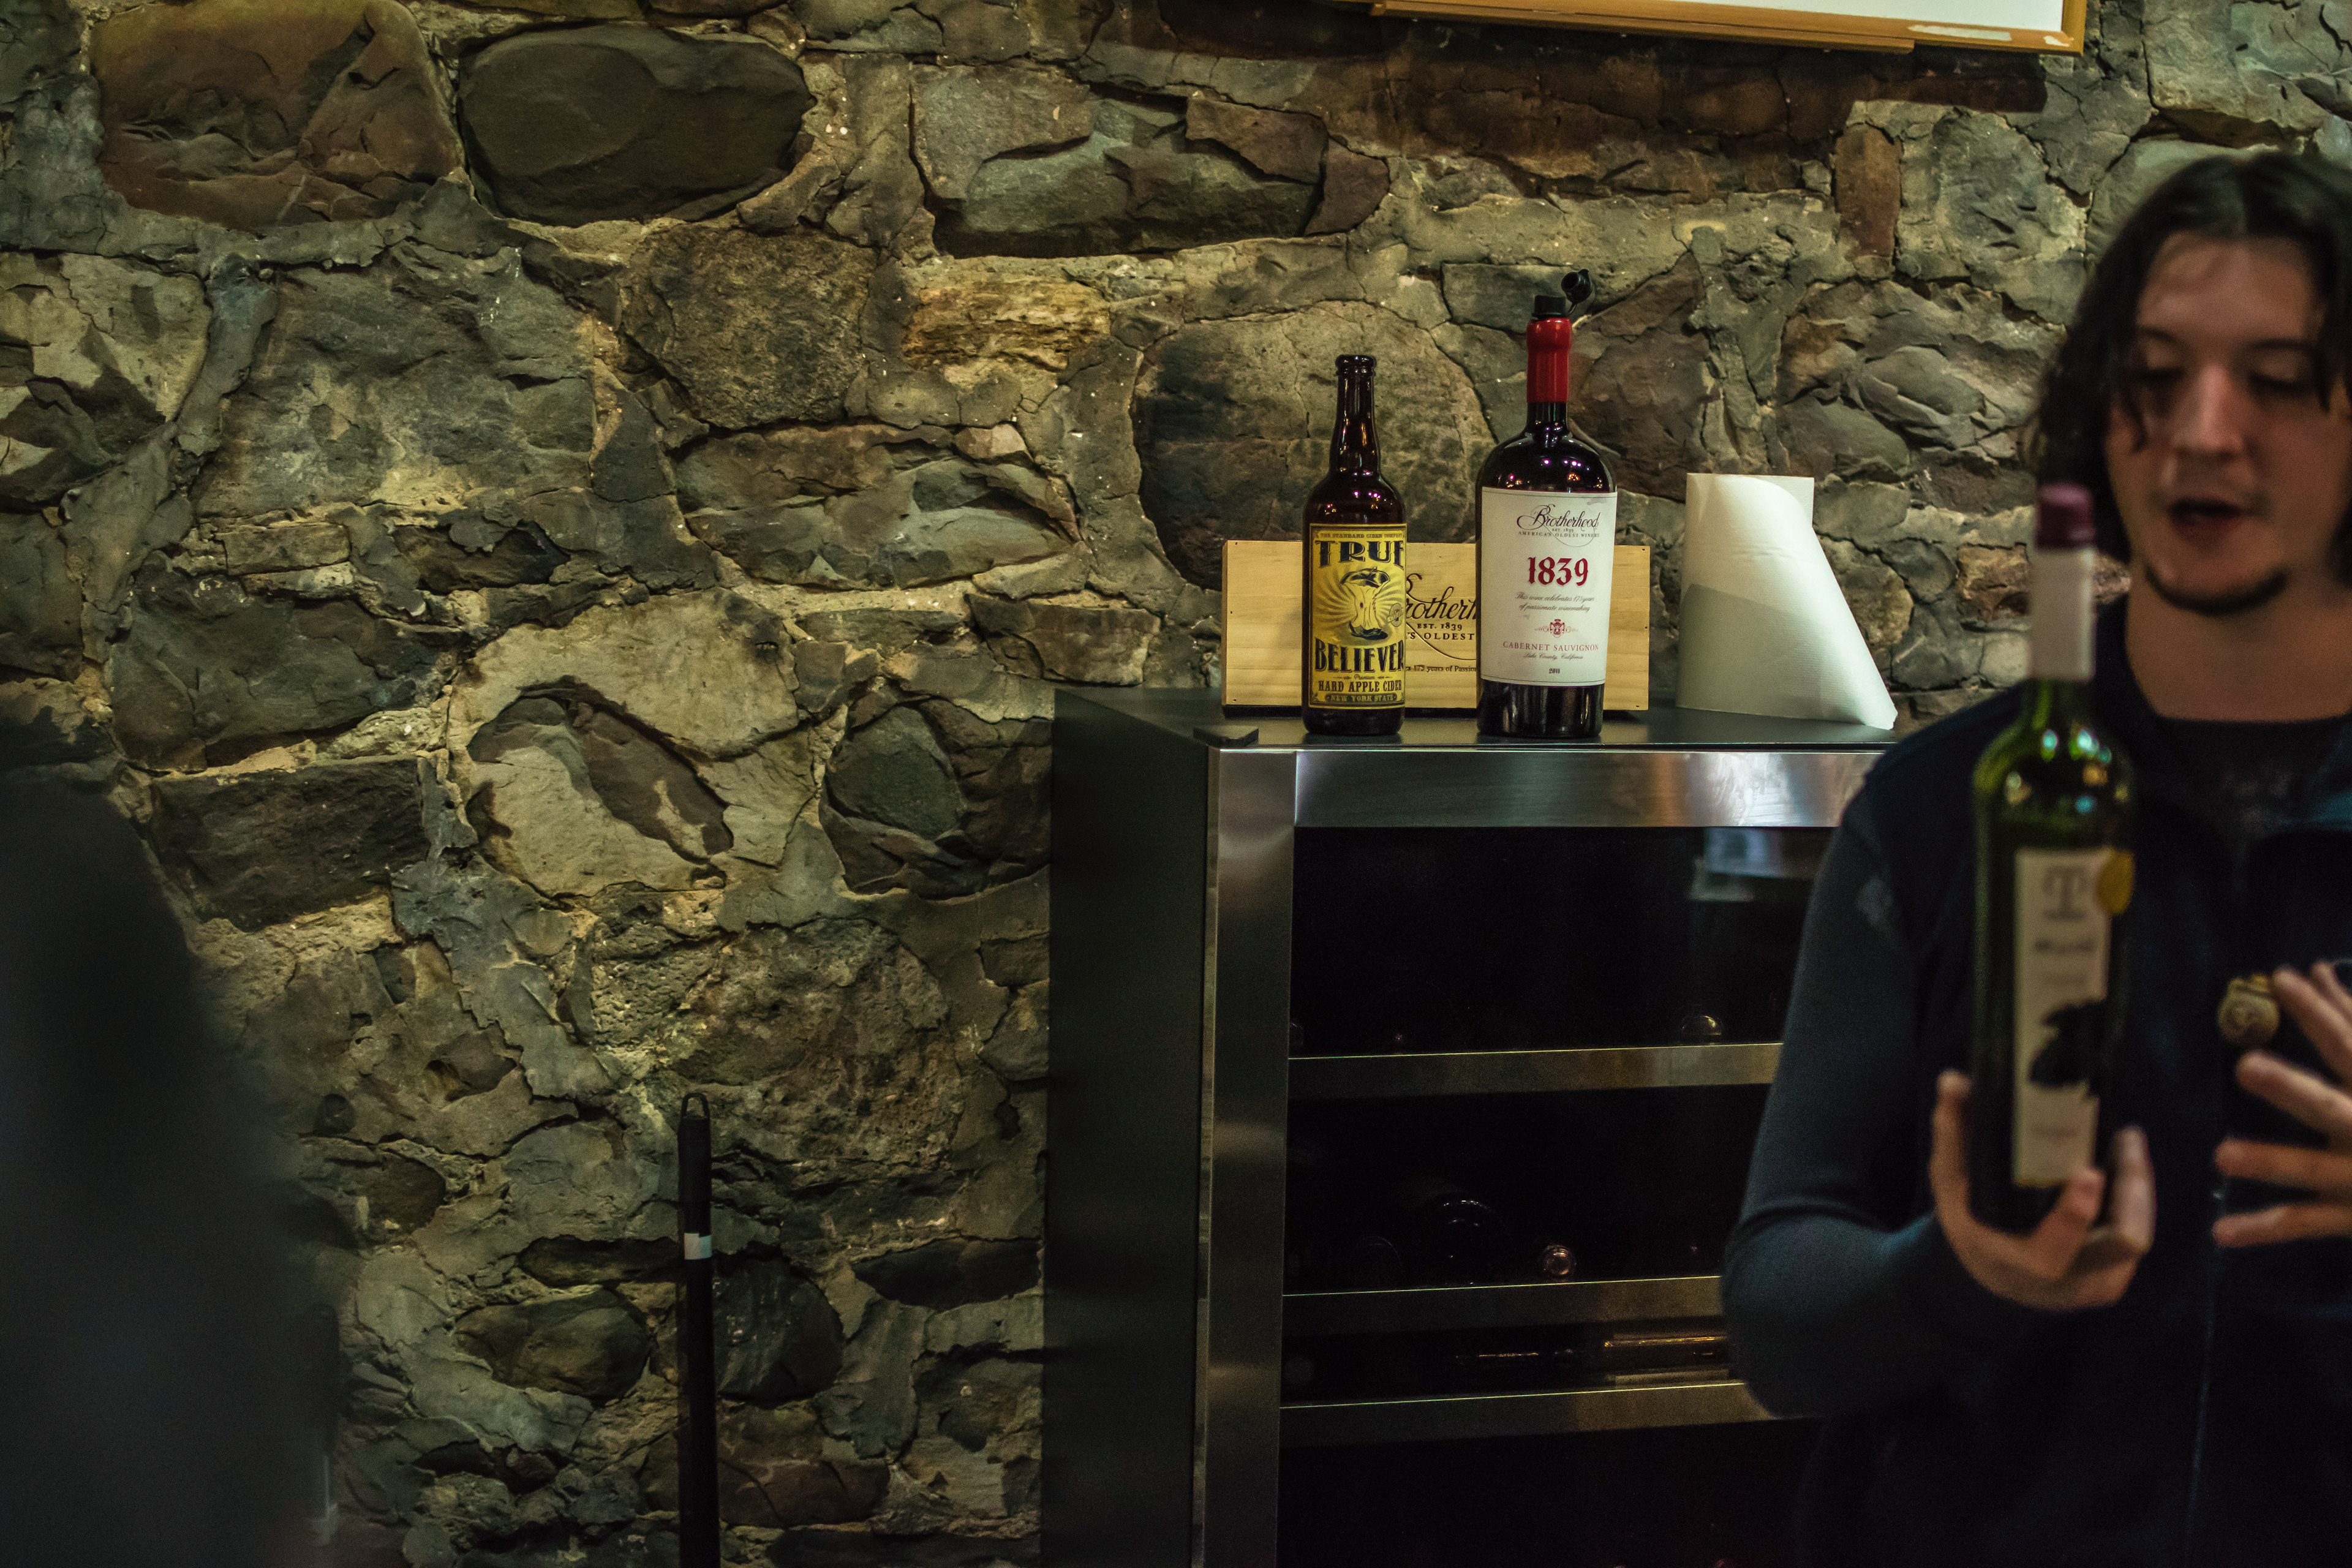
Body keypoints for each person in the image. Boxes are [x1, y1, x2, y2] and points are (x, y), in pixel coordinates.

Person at [1722, 150, 2352, 1568]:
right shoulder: (1943, 810)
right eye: (2155, 374)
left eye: (2278, 379)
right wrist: (1953, 1275)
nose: (2201, 430)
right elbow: (1776, 1312)